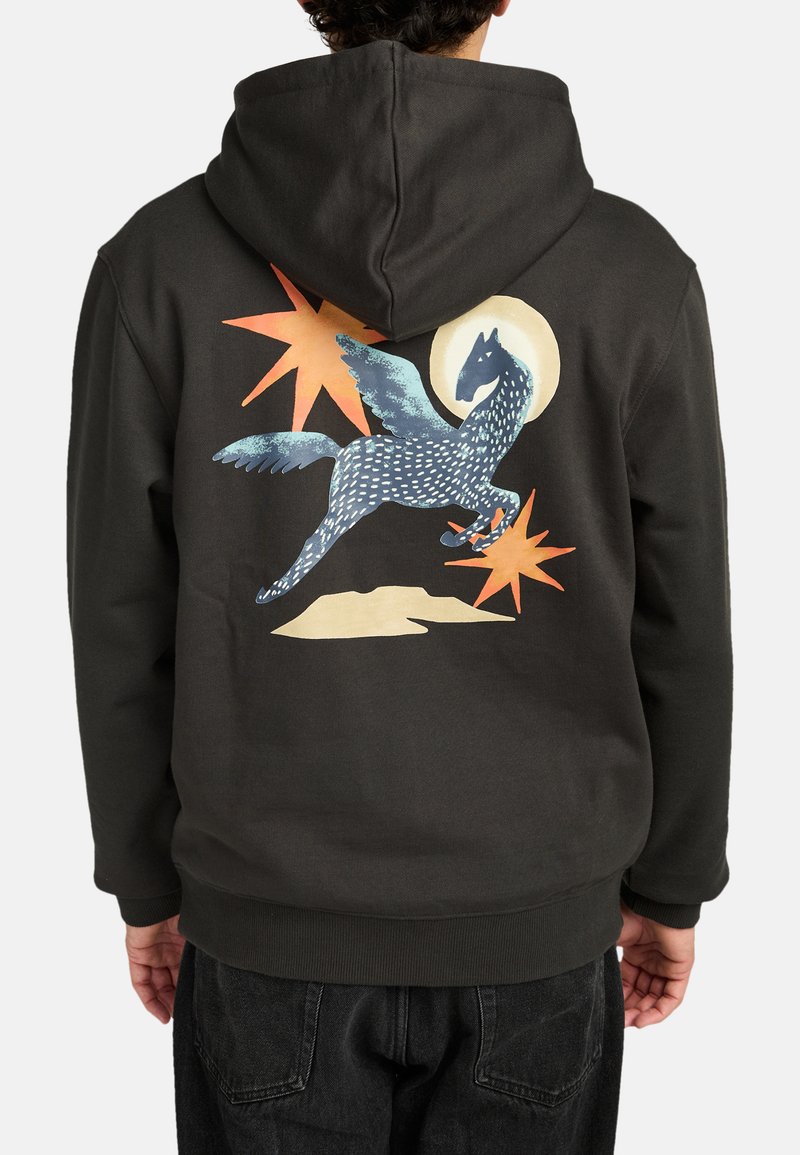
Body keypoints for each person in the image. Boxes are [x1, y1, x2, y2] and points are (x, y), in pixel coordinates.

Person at [66, 1, 732, 1151]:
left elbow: (118, 606)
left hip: (265, 923)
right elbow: (684, 612)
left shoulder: (155, 262)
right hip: (536, 925)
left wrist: (146, 878)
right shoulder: (631, 268)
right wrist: (670, 879)